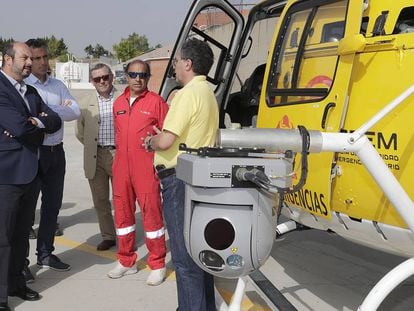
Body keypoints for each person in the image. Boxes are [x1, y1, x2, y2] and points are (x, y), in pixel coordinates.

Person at [146, 38, 219, 310]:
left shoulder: (186, 94)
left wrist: (152, 142)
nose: (175, 66)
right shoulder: (207, 93)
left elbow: (165, 142)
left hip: (179, 181)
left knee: (185, 260)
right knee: (200, 256)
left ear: (188, 64)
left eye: (177, 61)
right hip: (198, 179)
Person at [0, 42, 61, 311]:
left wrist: (35, 123)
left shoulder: (30, 91)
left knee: (22, 234)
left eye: (29, 58)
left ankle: (16, 283)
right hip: (6, 176)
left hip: (30, 174)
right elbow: (17, 127)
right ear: (6, 59)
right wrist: (34, 125)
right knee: (2, 238)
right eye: (24, 58)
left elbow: (56, 120)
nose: (28, 63)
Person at [107, 60, 168, 286]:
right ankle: (126, 261)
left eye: (142, 75)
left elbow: (167, 135)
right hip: (121, 167)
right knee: (123, 215)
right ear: (126, 75)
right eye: (133, 74)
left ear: (148, 77)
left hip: (145, 168)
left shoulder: (156, 103)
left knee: (152, 214)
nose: (137, 78)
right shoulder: (118, 103)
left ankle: (157, 263)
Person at [23, 38, 80, 278]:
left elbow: (75, 111)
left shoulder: (57, 85)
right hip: (33, 154)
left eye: (45, 57)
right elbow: (27, 121)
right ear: (28, 60)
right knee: (25, 211)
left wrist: (46, 113)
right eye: (37, 58)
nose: (43, 62)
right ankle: (20, 264)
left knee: (52, 206)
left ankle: (46, 252)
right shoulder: (24, 86)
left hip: (57, 154)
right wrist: (56, 111)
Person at [76, 63, 120, 251]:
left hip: (119, 155)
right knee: (101, 200)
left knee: (122, 200)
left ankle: (126, 235)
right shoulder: (84, 103)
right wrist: (94, 147)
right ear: (91, 81)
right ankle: (108, 236)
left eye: (105, 77)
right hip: (96, 156)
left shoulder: (124, 98)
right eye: (97, 79)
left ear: (112, 77)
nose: (102, 81)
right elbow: (80, 133)